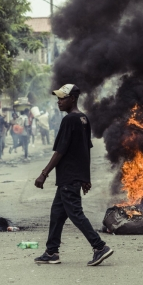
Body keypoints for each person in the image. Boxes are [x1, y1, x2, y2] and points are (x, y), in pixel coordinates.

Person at [34, 84, 113, 266]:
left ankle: (100, 246)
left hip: (68, 177)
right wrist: (86, 177)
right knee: (57, 213)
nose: (59, 101)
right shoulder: (84, 119)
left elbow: (60, 151)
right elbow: (85, 150)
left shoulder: (69, 120)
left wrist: (44, 174)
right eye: (58, 98)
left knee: (75, 213)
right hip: (71, 177)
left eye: (62, 98)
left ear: (73, 98)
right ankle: (52, 252)